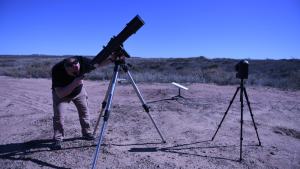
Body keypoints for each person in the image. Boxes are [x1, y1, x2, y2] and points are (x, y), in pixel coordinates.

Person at [51, 53, 117, 150]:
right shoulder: (57, 70)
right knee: (59, 116)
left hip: (79, 92)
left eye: (79, 70)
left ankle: (86, 132)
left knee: (84, 111)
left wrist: (111, 59)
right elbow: (60, 93)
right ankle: (58, 139)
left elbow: (98, 63)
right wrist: (73, 84)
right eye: (74, 73)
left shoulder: (82, 61)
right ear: (66, 69)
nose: (78, 74)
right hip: (62, 94)